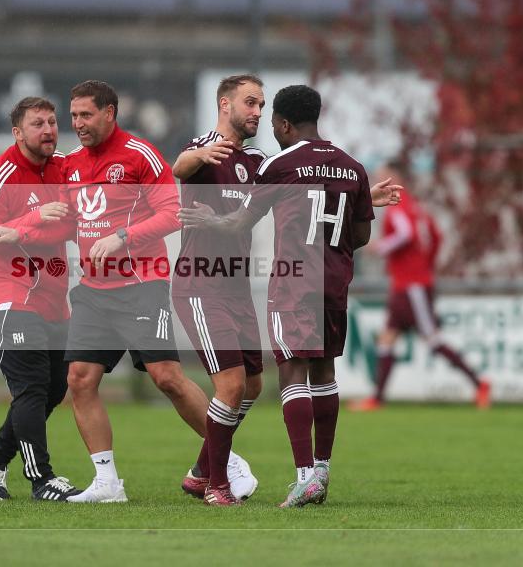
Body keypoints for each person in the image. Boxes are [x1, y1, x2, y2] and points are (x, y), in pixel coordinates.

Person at [179, 85, 402, 508]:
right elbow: (360, 235)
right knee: (325, 374)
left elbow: (241, 222)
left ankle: (303, 478)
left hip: (294, 282)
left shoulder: (280, 165)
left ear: (283, 124)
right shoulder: (353, 168)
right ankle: (322, 469)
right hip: (335, 283)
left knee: (292, 374)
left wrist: (210, 218)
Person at [37, 80, 256, 504]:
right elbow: (70, 222)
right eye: (74, 115)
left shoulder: (140, 154)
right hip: (93, 290)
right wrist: (29, 226)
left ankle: (227, 462)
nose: (77, 123)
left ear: (109, 113)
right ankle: (107, 482)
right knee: (79, 380)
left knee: (167, 378)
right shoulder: (70, 164)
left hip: (142, 284)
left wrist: (122, 237)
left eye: (86, 115)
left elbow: (173, 213)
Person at [0, 97, 82, 502]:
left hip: (51, 294)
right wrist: (31, 219)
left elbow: (75, 223)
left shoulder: (64, 167)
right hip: (6, 293)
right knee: (30, 387)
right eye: (37, 124)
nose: (48, 130)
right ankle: (41, 479)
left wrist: (27, 230)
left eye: (51, 122)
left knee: (55, 388)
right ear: (17, 133)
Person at [171, 74, 267, 505]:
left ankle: (200, 472)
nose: (257, 112)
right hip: (200, 284)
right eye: (250, 102)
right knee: (229, 385)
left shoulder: (256, 160)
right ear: (225, 104)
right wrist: (199, 154)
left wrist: (361, 196)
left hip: (236, 287)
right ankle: (218, 485)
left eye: (261, 104)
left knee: (252, 385)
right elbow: (180, 167)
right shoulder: (205, 148)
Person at [351, 164, 491, 411]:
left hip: (411, 286)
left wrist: (381, 247)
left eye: (382, 176)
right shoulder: (417, 207)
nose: (378, 181)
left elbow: (405, 234)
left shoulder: (399, 206)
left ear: (394, 177)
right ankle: (377, 398)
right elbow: (436, 237)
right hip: (407, 283)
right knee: (387, 338)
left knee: (432, 339)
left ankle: (479, 384)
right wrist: (426, 265)